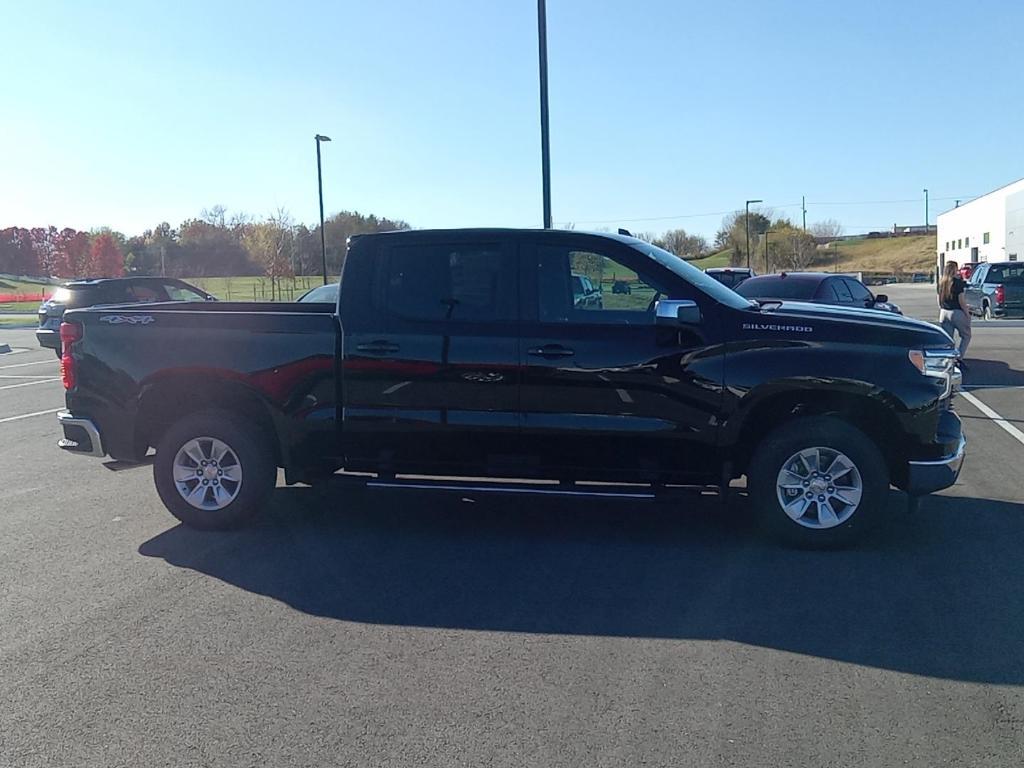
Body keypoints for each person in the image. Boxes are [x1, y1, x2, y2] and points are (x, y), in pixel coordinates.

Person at [938, 260, 971, 363]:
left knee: (948, 339)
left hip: (944, 312)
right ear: (955, 270)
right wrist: (967, 313)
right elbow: (961, 301)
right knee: (966, 335)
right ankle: (959, 358)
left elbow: (939, 300)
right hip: (956, 313)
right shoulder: (957, 283)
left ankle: (947, 360)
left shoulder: (941, 283)